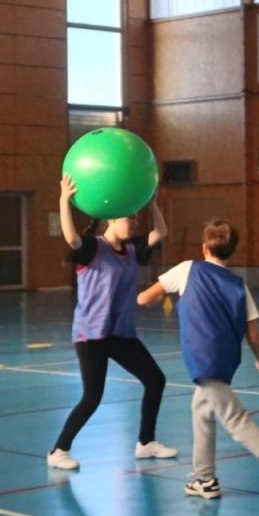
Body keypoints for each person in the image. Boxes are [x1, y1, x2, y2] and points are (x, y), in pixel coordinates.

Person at [137, 219, 259, 505]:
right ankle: (205, 479)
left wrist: (151, 295)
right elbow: (253, 334)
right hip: (225, 361)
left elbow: (144, 298)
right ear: (231, 251)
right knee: (201, 411)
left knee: (235, 420)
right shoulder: (238, 285)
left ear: (204, 247)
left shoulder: (187, 269)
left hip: (203, 360)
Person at [48, 174, 177, 471]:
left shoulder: (132, 250)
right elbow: (71, 238)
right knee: (92, 397)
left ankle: (146, 443)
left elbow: (161, 231)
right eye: (127, 218)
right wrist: (63, 200)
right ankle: (58, 450)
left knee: (155, 380)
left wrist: (151, 201)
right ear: (111, 220)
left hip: (121, 335)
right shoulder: (93, 248)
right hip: (91, 335)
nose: (132, 222)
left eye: (134, 218)